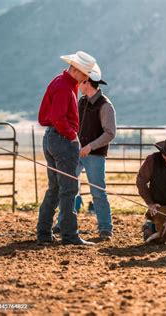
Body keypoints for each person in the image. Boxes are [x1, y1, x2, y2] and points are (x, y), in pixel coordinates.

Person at [37, 51, 97, 246]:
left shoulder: (60, 82)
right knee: (69, 188)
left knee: (54, 188)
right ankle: (70, 236)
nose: (86, 78)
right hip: (62, 140)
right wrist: (72, 136)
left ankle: (44, 233)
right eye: (85, 74)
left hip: (52, 138)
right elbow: (58, 117)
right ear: (77, 70)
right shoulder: (64, 87)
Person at [52, 63, 116, 241]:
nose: (78, 84)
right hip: (77, 152)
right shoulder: (81, 101)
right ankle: (62, 224)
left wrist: (90, 147)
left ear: (87, 82)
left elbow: (110, 133)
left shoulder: (105, 106)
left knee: (98, 192)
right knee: (69, 189)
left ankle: (105, 228)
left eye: (81, 82)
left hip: (94, 155)